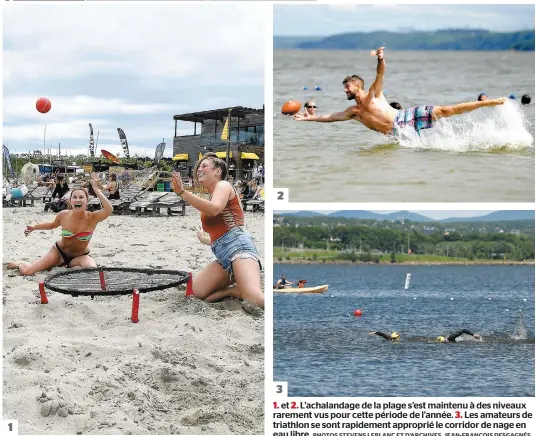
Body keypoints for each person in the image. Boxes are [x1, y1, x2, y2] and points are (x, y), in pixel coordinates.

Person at [293, 47, 507, 136]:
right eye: (344, 87)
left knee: (446, 111)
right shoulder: (353, 111)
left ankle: (488, 103)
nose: (345, 89)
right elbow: (330, 117)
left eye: (347, 86)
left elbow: (380, 74)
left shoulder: (373, 94)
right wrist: (307, 119)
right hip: (398, 134)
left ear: (357, 85)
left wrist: (380, 59)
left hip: (405, 117)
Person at [170, 153, 264, 307]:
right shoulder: (213, 195)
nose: (199, 169)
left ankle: (238, 291)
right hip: (223, 256)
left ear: (218, 171)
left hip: (239, 249)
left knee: (255, 299)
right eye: (199, 167)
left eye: (204, 166)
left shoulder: (223, 185)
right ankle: (235, 290)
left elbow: (214, 210)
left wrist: (182, 192)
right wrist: (204, 239)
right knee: (195, 292)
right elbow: (222, 235)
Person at [7, 174, 113, 276]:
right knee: (27, 271)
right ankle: (21, 263)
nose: (78, 199)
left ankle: (70, 267)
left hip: (79, 256)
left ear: (87, 200)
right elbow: (52, 225)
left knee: (91, 270)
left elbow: (109, 209)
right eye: (74, 197)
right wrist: (35, 227)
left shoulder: (92, 217)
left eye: (81, 197)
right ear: (70, 201)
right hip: (59, 253)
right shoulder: (64, 215)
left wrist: (97, 190)